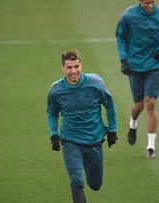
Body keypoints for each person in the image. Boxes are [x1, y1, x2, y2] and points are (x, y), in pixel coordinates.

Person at [47, 50, 117, 203]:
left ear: (81, 65)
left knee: (95, 184)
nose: (73, 71)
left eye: (76, 66)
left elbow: (109, 106)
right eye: (69, 67)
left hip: (94, 140)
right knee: (77, 181)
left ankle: (85, 162)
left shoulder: (96, 83)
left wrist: (112, 130)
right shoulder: (56, 90)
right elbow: (52, 113)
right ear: (62, 68)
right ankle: (78, 165)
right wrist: (54, 134)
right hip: (70, 141)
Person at [115, 0, 159, 158]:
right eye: (146, 3)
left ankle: (151, 146)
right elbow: (120, 36)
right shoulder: (128, 16)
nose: (149, 5)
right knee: (139, 105)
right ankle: (133, 124)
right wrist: (123, 59)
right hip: (134, 65)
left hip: (154, 65)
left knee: (151, 101)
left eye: (151, 2)